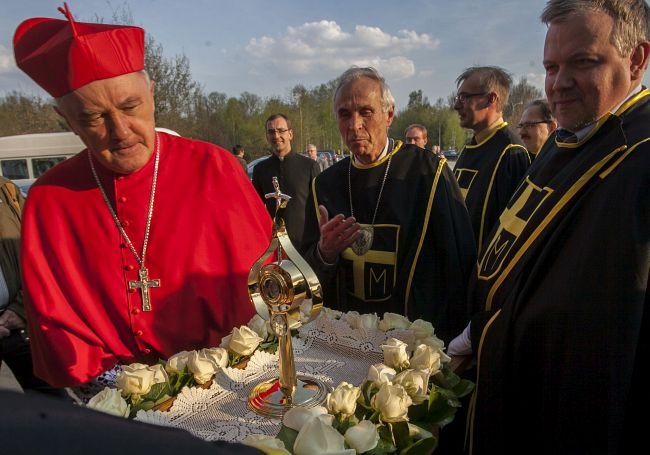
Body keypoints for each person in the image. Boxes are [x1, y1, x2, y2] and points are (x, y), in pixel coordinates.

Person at [13, 5, 272, 390]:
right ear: (66, 120)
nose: (119, 131)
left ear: (150, 94)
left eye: (130, 106)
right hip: (114, 405)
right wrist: (135, 391)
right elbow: (59, 334)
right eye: (92, 118)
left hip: (228, 388)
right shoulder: (50, 201)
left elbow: (267, 292)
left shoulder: (215, 169)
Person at [456, 1, 650, 453]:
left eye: (583, 62)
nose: (558, 84)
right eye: (550, 66)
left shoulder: (641, 158)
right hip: (506, 381)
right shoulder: (567, 138)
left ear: (637, 59)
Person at [302, 67, 477, 345]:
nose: (354, 124)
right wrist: (325, 252)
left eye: (366, 112)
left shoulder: (427, 173)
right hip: (348, 340)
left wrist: (458, 341)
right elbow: (308, 269)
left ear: (389, 115)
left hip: (414, 340)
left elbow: (458, 263)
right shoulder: (324, 185)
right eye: (344, 114)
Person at [452, 66, 531, 253]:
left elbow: (509, 236)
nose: (456, 105)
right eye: (458, 98)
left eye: (464, 97)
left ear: (491, 99)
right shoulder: (471, 146)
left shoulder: (511, 154)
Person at [0, 177, 65, 397]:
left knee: (54, 406)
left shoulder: (5, 189)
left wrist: (21, 308)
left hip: (18, 323)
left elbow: (42, 252)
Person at [252, 114, 321, 248]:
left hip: (305, 245)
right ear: (267, 136)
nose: (276, 136)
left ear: (290, 134)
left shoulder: (309, 166)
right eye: (271, 132)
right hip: (274, 245)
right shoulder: (260, 169)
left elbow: (320, 207)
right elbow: (255, 209)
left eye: (281, 130)